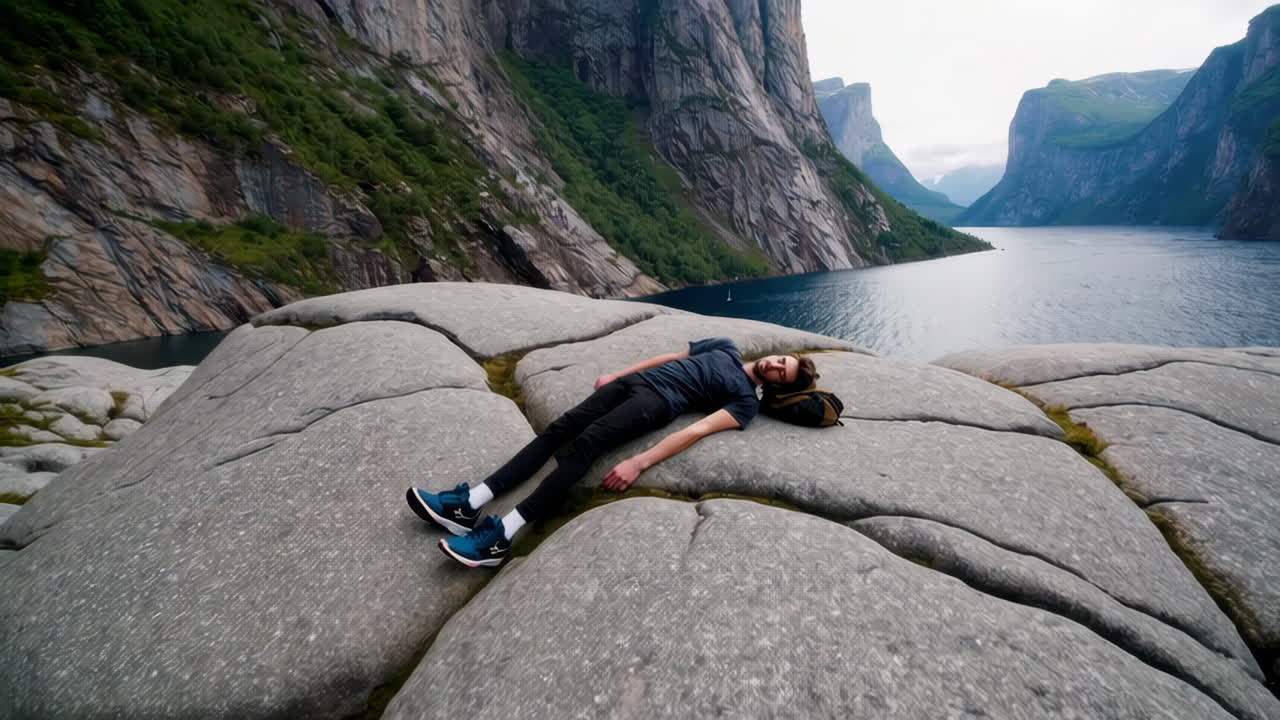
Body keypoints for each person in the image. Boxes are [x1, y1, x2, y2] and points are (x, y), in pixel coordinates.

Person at [407, 337, 816, 568]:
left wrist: (640, 462)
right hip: (637, 382)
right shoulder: (725, 347)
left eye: (783, 373)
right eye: (781, 360)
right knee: (559, 430)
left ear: (778, 385)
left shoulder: (745, 401)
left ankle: (502, 536)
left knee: (585, 447)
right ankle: (471, 503)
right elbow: (672, 356)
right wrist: (619, 373)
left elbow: (699, 428)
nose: (776, 366)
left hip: (658, 402)